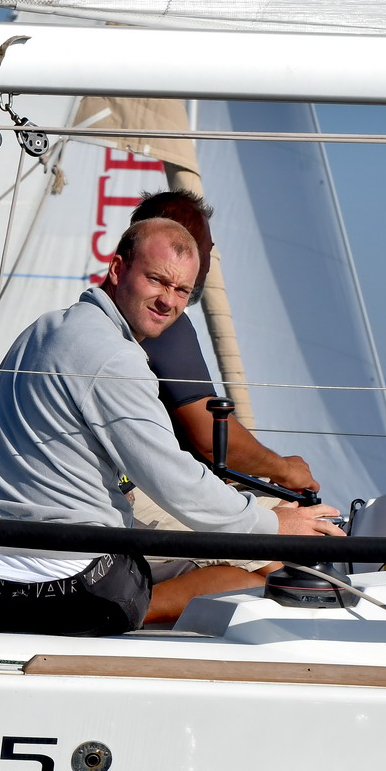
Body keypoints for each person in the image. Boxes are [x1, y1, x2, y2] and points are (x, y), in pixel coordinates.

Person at [0, 218, 343, 636]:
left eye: (182, 290)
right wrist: (274, 526)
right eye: (157, 280)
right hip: (66, 590)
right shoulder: (114, 356)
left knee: (215, 558)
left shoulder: (43, 329)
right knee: (245, 583)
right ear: (118, 269)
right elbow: (174, 481)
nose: (168, 301)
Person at [117, 191, 321, 617]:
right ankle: (120, 611)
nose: (209, 260)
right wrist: (285, 469)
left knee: (278, 548)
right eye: (207, 247)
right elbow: (211, 437)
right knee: (292, 562)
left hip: (149, 487)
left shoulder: (122, 320)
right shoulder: (162, 323)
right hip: (142, 493)